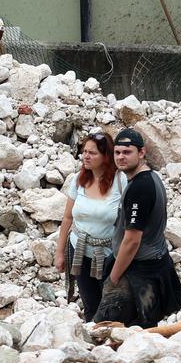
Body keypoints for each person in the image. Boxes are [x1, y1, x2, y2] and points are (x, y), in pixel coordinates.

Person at [96, 128, 181, 328]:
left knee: (108, 329)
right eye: (117, 152)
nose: (121, 157)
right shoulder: (150, 178)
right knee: (141, 330)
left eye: (127, 152)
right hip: (151, 265)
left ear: (141, 153)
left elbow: (132, 240)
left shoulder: (140, 187)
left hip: (138, 272)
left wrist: (114, 277)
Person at [54, 131, 125, 321]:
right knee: (90, 303)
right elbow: (68, 218)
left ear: (105, 156)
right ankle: (93, 343)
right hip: (79, 249)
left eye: (92, 153)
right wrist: (59, 253)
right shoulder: (79, 180)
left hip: (109, 254)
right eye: (84, 151)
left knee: (110, 304)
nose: (86, 156)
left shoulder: (120, 181)